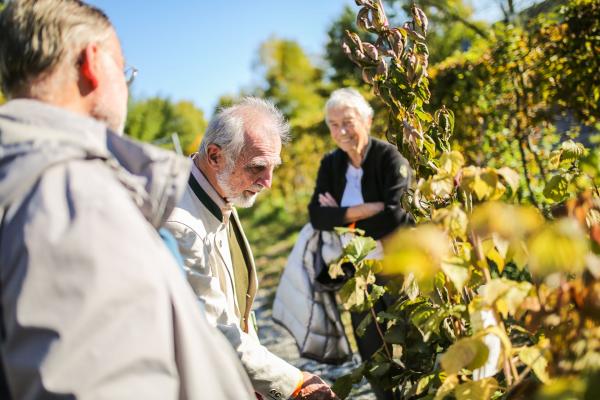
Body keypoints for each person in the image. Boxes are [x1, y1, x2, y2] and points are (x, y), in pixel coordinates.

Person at [0, 1, 253, 399]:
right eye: (125, 71)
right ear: (93, 63)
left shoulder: (21, 175)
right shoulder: (71, 192)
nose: (126, 87)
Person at [166, 98, 338, 400]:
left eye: (273, 168)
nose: (268, 183)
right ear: (215, 156)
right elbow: (217, 329)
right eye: (258, 167)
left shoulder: (215, 192)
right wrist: (294, 384)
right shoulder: (181, 224)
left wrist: (254, 380)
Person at [308, 88, 413, 400]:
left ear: (367, 119)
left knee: (407, 341)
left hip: (395, 265)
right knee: (372, 351)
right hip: (356, 272)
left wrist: (339, 216)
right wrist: (366, 210)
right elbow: (316, 216)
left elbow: (395, 216)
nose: (341, 131)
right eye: (333, 124)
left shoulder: (388, 157)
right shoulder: (331, 164)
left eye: (348, 122)